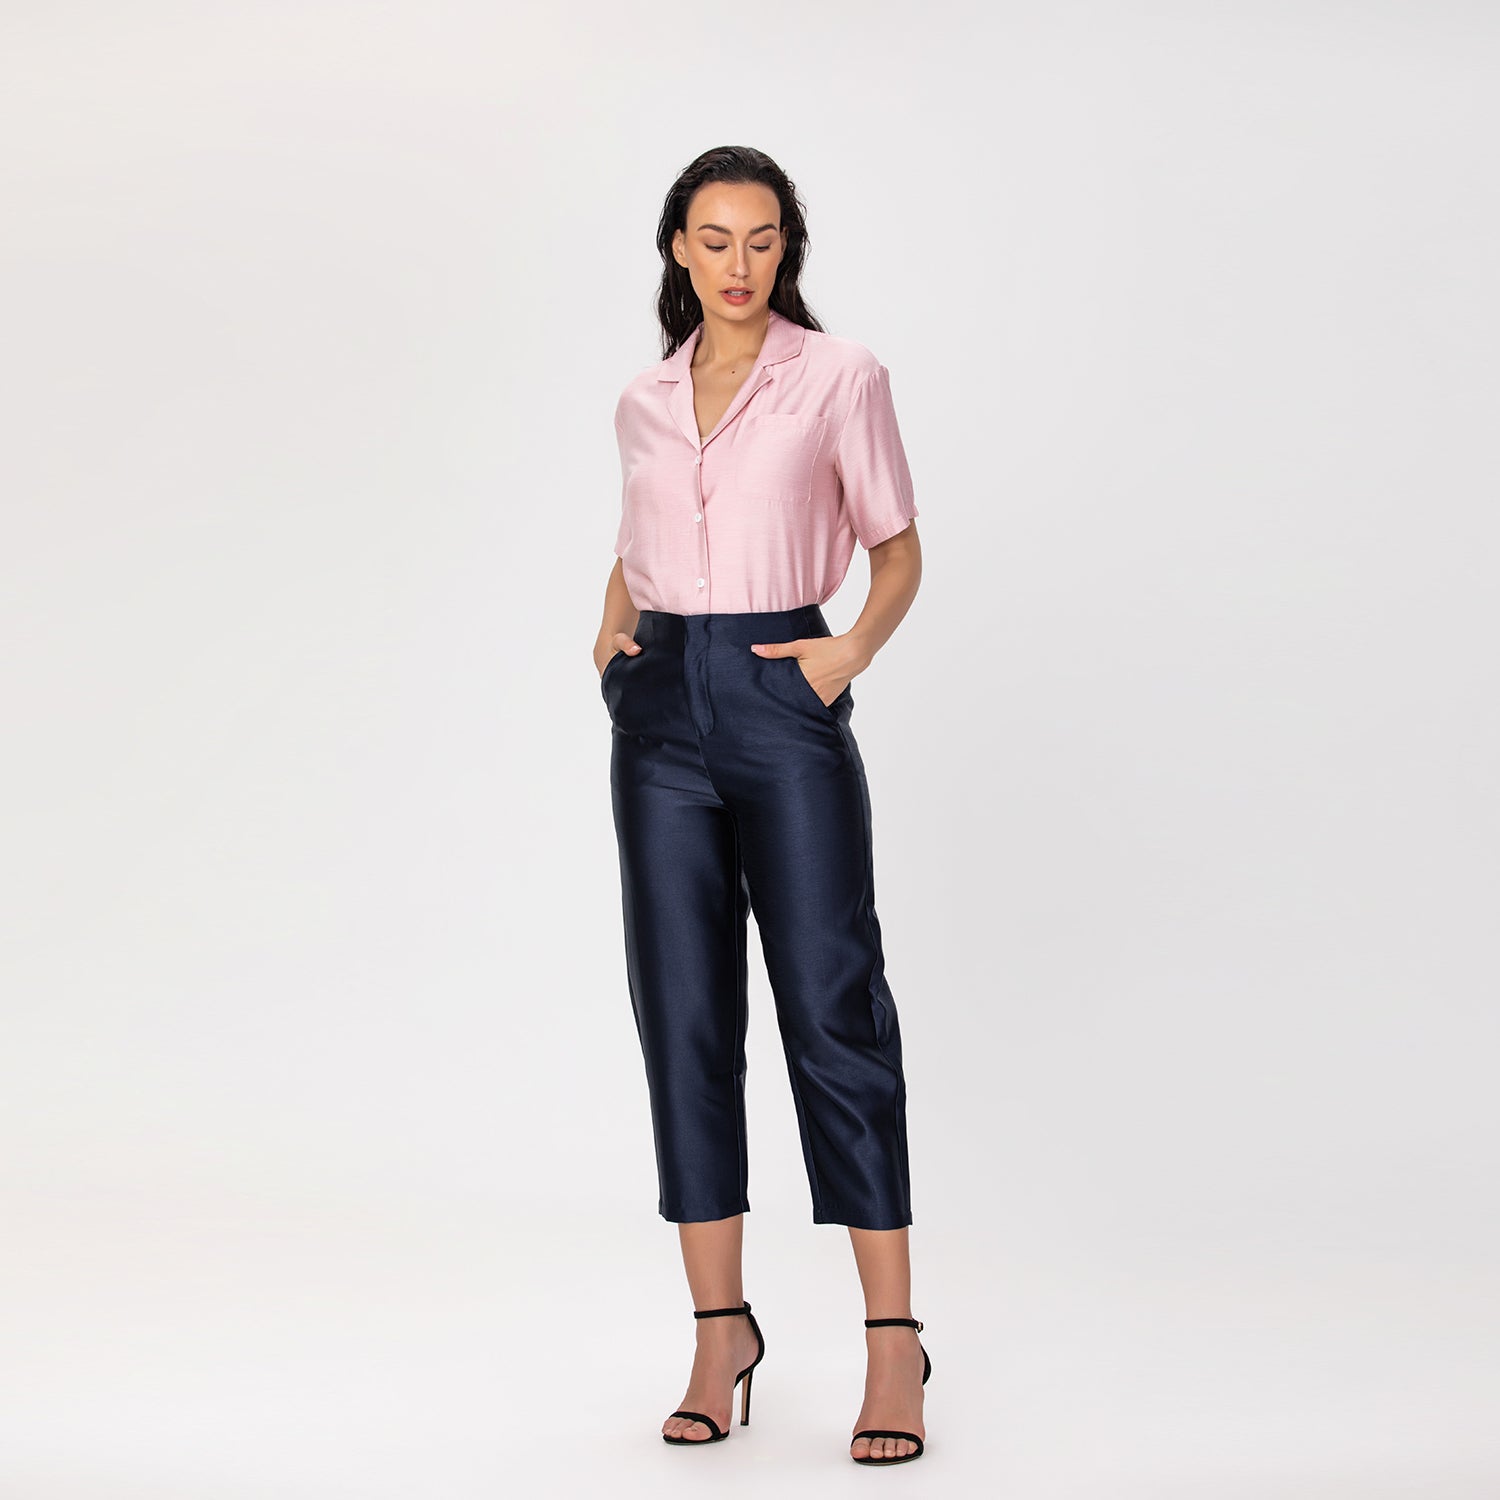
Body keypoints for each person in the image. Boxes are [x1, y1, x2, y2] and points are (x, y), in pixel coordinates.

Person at [594, 145, 931, 1467]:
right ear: (678, 249)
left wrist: (848, 654)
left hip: (783, 693)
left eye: (762, 239)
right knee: (681, 1014)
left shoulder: (840, 376)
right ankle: (718, 1330)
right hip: (660, 720)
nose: (739, 264)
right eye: (714, 239)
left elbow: (897, 548)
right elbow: (633, 546)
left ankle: (893, 1342)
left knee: (833, 1004)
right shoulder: (643, 398)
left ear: (787, 248)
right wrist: (614, 639)